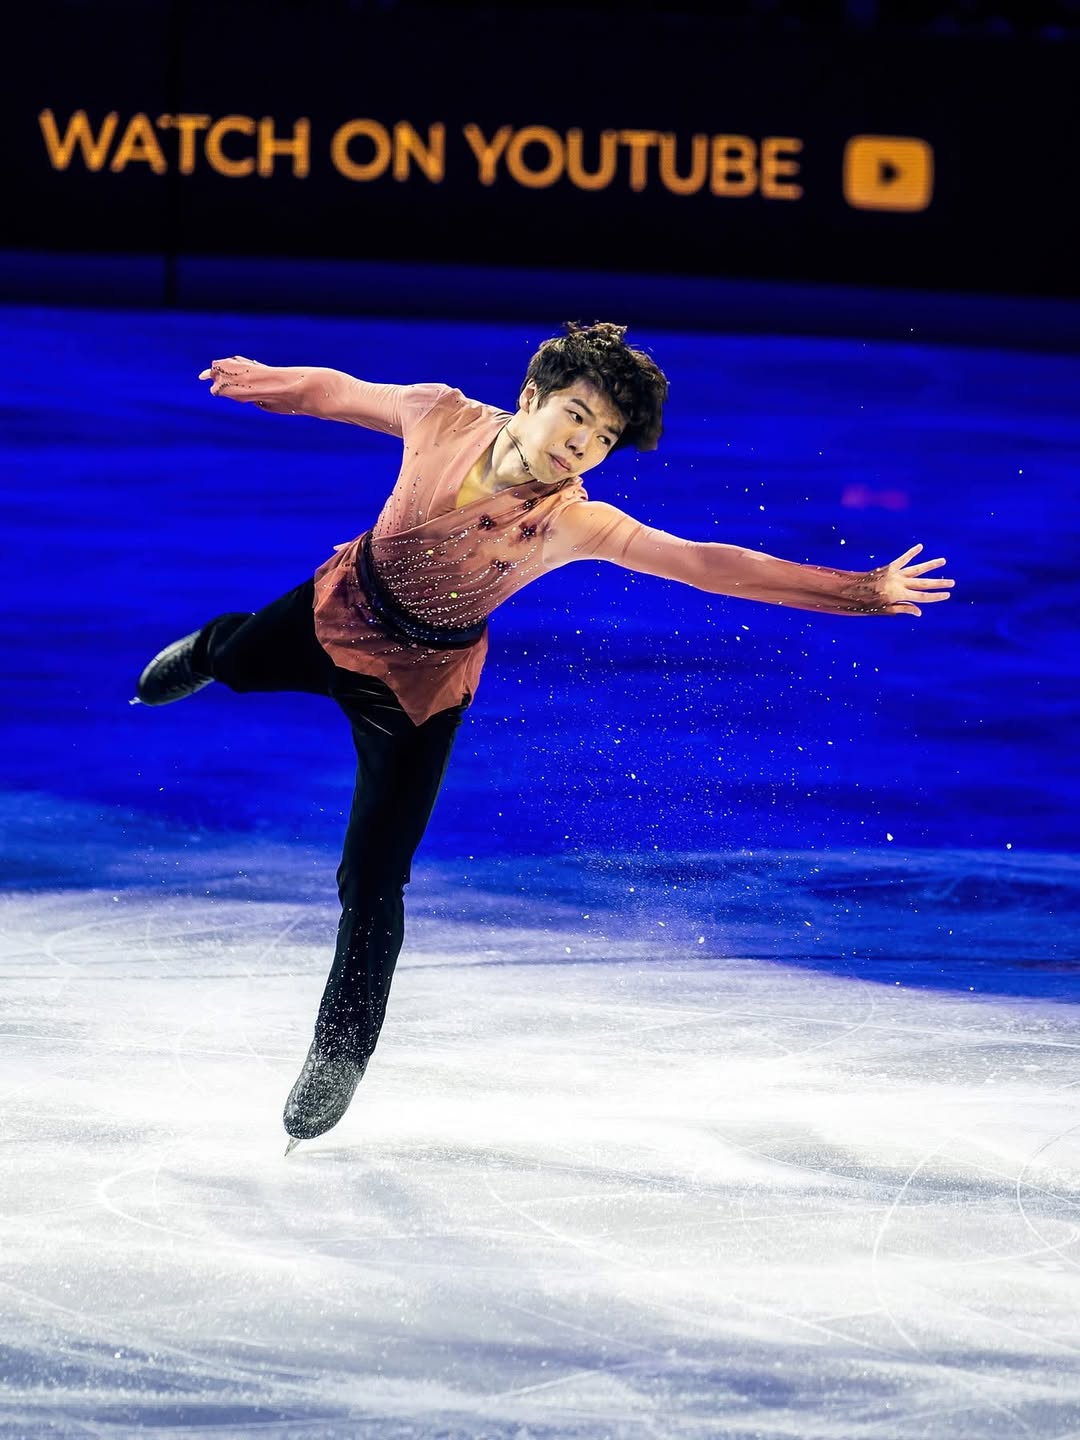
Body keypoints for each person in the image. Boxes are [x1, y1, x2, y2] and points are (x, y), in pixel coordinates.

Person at [134, 321, 952, 1152]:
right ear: (530, 398)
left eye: (605, 438)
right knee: (236, 661)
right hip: (335, 610)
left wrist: (858, 590)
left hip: (418, 689)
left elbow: (705, 563)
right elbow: (340, 392)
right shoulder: (439, 414)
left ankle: (340, 1051)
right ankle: (207, 650)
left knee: (374, 878)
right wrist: (266, 378)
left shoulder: (574, 522)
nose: (584, 445)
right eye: (577, 416)